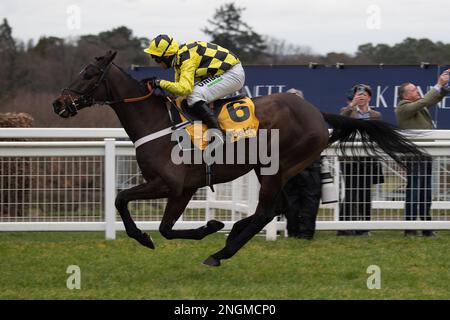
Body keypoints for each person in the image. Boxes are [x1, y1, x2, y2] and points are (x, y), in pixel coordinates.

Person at [143, 34, 245, 142]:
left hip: (232, 73)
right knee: (187, 96)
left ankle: (217, 134)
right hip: (224, 72)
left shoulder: (186, 58)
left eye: (157, 59)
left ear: (166, 56)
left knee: (194, 94)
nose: (156, 62)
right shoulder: (179, 59)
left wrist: (160, 83)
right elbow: (179, 92)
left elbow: (184, 89)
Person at [395, 69, 450, 237]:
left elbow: (432, 99)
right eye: (413, 90)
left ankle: (426, 225)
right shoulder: (403, 108)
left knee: (426, 190)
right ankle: (410, 226)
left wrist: (444, 86)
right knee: (414, 189)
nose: (417, 91)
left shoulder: (416, 105)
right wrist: (439, 85)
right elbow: (424, 101)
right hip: (414, 155)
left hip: (425, 154)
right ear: (404, 96)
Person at [338, 84, 384, 236]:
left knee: (364, 193)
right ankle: (344, 227)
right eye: (359, 94)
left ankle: (364, 227)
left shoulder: (376, 115)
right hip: (350, 159)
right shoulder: (348, 111)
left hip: (368, 158)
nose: (362, 97)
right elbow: (340, 120)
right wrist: (352, 105)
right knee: (351, 192)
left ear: (370, 97)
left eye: (365, 95)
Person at [282, 88, 322, 240]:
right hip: (291, 168)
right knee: (291, 203)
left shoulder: (312, 116)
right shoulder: (279, 119)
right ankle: (294, 233)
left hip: (309, 166)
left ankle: (305, 234)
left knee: (309, 203)